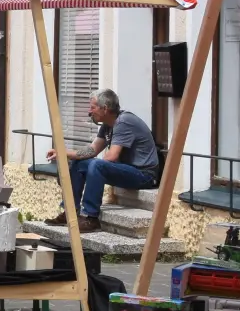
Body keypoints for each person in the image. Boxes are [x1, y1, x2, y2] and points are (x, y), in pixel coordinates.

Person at [46, 89, 159, 233]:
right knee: (79, 163)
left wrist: (94, 170)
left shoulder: (124, 121)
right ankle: (70, 211)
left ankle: (91, 218)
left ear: (105, 108)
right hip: (127, 170)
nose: (89, 112)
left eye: (92, 107)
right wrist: (62, 153)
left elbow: (111, 157)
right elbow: (92, 150)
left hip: (144, 175)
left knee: (96, 164)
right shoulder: (108, 124)